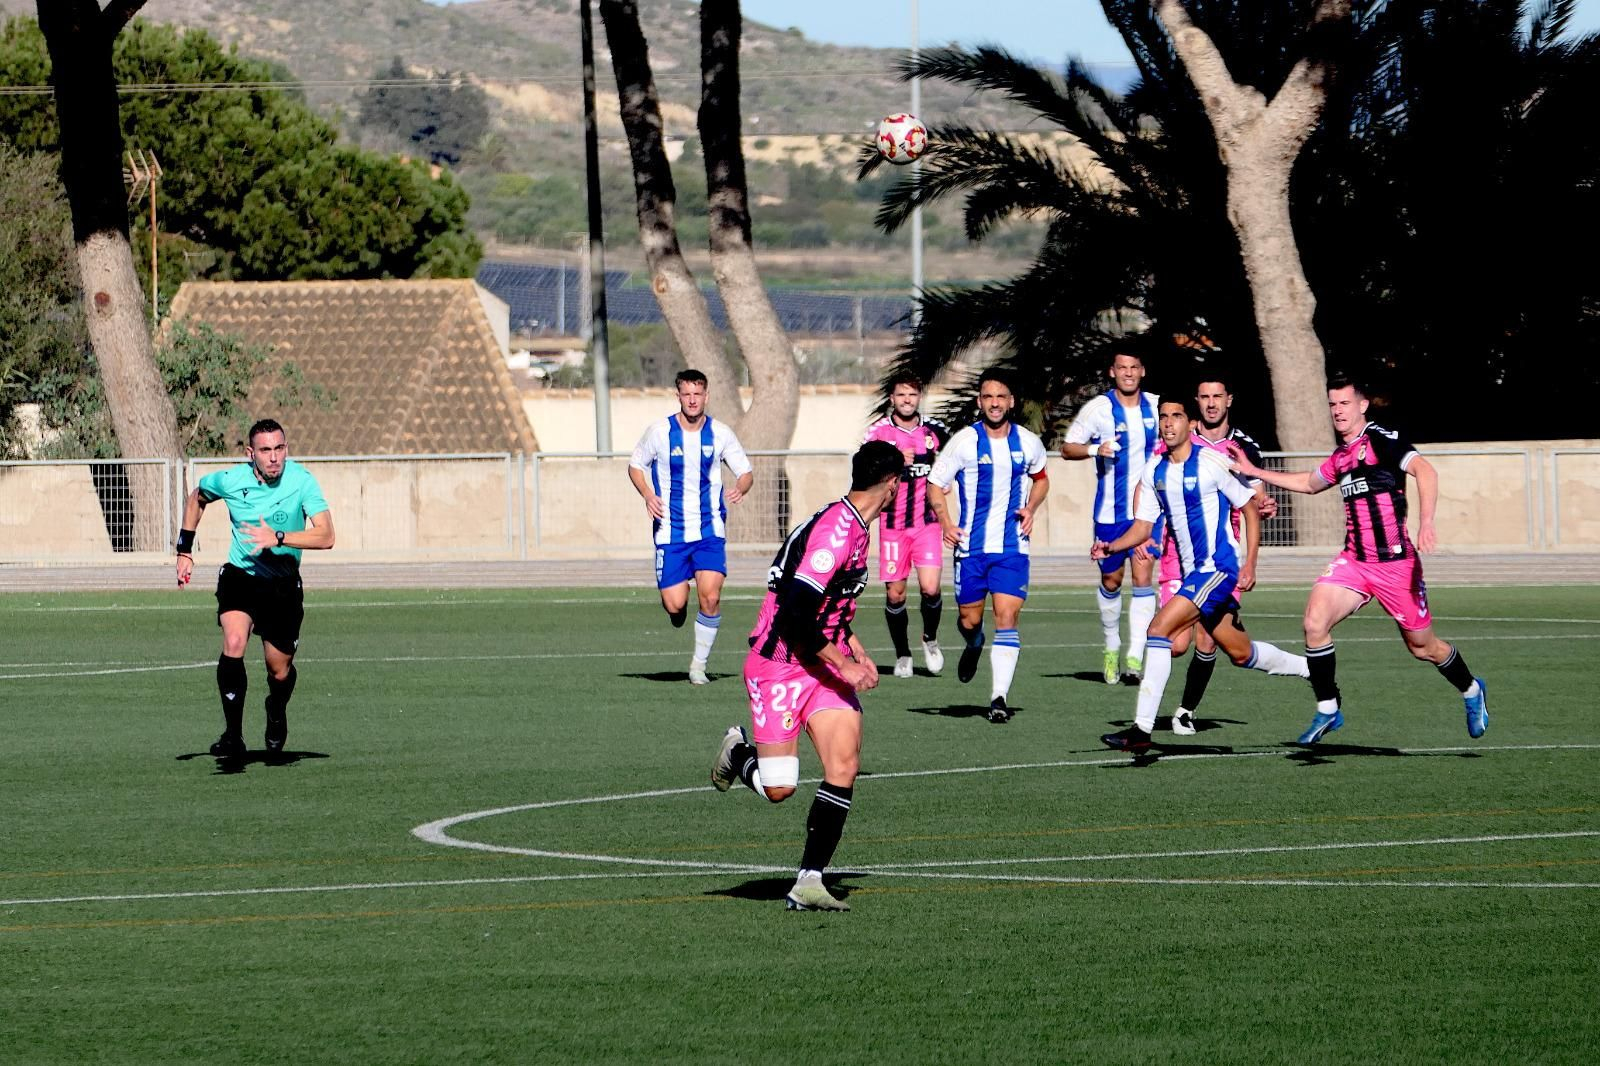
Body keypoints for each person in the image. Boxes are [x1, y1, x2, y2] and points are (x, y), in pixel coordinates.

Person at [1230, 375, 1489, 743]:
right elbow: (1309, 483)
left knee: (1422, 647)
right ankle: (1328, 709)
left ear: (1362, 406)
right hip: (1355, 561)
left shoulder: (1381, 441)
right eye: (1332, 404)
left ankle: (1471, 690)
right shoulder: (1341, 456)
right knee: (1314, 622)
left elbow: (1425, 470)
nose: (1338, 410)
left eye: (1344, 403)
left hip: (1396, 565)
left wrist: (1426, 521)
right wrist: (1254, 472)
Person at [708, 440, 905, 912]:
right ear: (892, 485)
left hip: (820, 665)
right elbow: (795, 614)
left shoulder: (855, 524)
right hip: (779, 665)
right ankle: (740, 755)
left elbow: (826, 603)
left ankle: (809, 879)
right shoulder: (838, 531)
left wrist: (852, 645)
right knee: (779, 788)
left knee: (843, 765)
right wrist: (845, 665)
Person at [1096, 397, 1308, 752]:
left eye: (1176, 416)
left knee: (1158, 631)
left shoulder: (1211, 462)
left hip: (1218, 570)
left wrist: (1250, 563)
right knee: (1241, 654)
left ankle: (1141, 730)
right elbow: (1143, 527)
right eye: (1163, 417)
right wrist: (1111, 546)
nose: (1168, 423)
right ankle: (1311, 669)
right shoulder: (1154, 472)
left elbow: (1250, 510)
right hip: (1195, 574)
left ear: (1190, 423)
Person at [176, 419, 335, 757]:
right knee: (234, 642)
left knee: (279, 672)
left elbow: (326, 536)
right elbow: (196, 498)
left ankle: (276, 709)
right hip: (241, 577)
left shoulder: (302, 482)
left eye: (279, 448)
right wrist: (184, 550)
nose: (274, 457)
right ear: (251, 454)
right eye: (266, 450)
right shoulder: (231, 480)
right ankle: (233, 735)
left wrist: (278, 537)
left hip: (282, 587)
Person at [925, 370, 1050, 723]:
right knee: (969, 620)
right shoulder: (964, 442)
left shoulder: (1028, 442)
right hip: (972, 549)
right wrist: (947, 523)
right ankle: (974, 642)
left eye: (1001, 397)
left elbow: (1042, 480)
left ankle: (998, 697)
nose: (995, 403)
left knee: (1007, 618)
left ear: (1011, 401)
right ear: (980, 402)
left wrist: (1031, 508)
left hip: (1013, 548)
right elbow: (935, 485)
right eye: (988, 397)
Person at [1159, 372, 1280, 735]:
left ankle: (1185, 711)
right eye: (1204, 396)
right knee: (1175, 644)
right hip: (1178, 556)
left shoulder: (1244, 447)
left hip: (1223, 558)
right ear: (1196, 402)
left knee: (1209, 639)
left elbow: (1254, 499)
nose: (1211, 402)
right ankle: (1145, 704)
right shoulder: (1178, 439)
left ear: (1229, 400)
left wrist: (1263, 505)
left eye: (1217, 396)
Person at [628, 369, 754, 685]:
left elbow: (745, 471)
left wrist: (742, 486)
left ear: (706, 396)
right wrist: (647, 494)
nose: (693, 399)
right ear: (679, 396)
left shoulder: (721, 433)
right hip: (670, 531)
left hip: (710, 530)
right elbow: (635, 465)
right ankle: (677, 607)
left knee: (710, 597)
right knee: (675, 604)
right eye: (687, 394)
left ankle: (698, 666)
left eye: (698, 394)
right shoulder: (659, 432)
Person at [1060, 348, 1162, 685]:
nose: (1129, 373)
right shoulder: (1099, 409)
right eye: (1122, 367)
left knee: (1144, 577)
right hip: (1109, 512)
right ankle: (1111, 647)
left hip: (1147, 511)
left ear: (1142, 371)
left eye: (1134, 367)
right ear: (1112, 372)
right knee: (1112, 580)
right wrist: (1095, 449)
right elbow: (1067, 447)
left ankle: (1135, 655)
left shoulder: (1157, 406)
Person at [861, 372, 951, 678]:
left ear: (920, 397)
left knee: (930, 588)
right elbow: (862, 469)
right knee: (895, 594)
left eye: (912, 395)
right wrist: (895, 460)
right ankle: (902, 654)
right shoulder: (877, 434)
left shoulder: (935, 431)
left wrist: (947, 480)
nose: (907, 400)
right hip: (892, 524)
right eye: (901, 395)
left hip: (927, 524)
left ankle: (930, 638)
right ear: (892, 399)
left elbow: (955, 460)